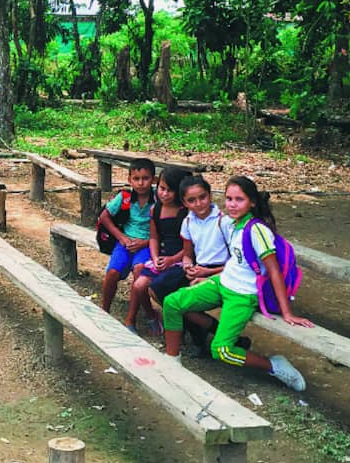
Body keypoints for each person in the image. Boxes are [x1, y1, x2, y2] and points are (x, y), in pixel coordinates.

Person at [162, 175, 314, 391]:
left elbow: (274, 271)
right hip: (222, 282)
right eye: (229, 198)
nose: (232, 204)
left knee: (221, 350)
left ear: (252, 201)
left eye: (239, 199)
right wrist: (209, 277)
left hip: (243, 294)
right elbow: (236, 261)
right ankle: (172, 361)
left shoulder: (257, 230)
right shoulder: (233, 223)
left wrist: (287, 312)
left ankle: (273, 365)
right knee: (172, 302)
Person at [124, 167, 191, 335]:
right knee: (139, 285)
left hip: (181, 259)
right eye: (162, 188)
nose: (165, 194)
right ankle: (152, 316)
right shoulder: (156, 210)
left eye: (170, 190)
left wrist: (172, 259)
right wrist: (155, 258)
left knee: (157, 289)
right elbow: (154, 237)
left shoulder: (186, 213)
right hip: (162, 257)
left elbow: (191, 245)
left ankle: (176, 322)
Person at [177, 175, 233, 357]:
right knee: (173, 293)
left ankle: (217, 336)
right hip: (200, 268)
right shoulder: (188, 222)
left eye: (202, 197)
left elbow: (236, 262)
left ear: (210, 195)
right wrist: (188, 266)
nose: (199, 204)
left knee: (183, 302)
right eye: (191, 200)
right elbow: (187, 254)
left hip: (224, 270)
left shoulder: (223, 221)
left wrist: (208, 273)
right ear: (184, 203)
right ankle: (200, 338)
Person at [99, 158, 156, 319]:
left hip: (147, 245)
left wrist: (145, 242)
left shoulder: (158, 201)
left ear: (153, 179)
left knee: (139, 272)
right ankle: (104, 311)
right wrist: (121, 237)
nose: (140, 183)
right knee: (112, 273)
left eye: (145, 178)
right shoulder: (124, 198)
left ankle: (130, 319)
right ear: (129, 179)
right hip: (125, 243)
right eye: (136, 179)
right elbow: (104, 216)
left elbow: (163, 229)